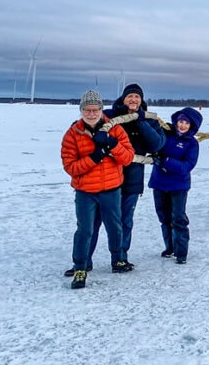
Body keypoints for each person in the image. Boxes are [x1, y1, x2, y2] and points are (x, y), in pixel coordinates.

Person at [61, 90, 134, 289]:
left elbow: (127, 157)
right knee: (85, 230)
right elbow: (71, 167)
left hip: (111, 189)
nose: (91, 114)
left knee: (115, 226)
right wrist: (94, 157)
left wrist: (112, 144)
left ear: (102, 110)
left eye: (95, 110)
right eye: (87, 110)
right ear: (81, 110)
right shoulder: (73, 134)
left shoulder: (116, 130)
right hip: (85, 191)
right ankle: (81, 267)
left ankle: (118, 260)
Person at [148, 107, 201, 264]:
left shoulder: (191, 143)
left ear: (191, 126)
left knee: (178, 218)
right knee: (164, 217)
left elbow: (186, 166)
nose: (182, 125)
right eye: (180, 122)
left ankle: (181, 251)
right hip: (159, 182)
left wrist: (166, 161)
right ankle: (170, 247)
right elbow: (153, 143)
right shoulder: (166, 134)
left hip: (178, 186)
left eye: (186, 123)